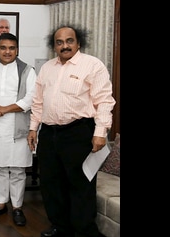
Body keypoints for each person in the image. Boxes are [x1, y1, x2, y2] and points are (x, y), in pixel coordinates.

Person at [27, 26, 116, 237]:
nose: (65, 45)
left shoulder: (93, 65)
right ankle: (60, 226)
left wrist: (100, 132)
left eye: (69, 41)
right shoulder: (47, 67)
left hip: (78, 133)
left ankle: (84, 231)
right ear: (54, 45)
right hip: (49, 134)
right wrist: (33, 128)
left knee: (81, 185)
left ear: (78, 43)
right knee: (51, 184)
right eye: (60, 42)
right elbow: (38, 102)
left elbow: (104, 101)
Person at [0, 33, 36, 227]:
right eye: (3, 48)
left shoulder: (27, 70)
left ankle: (17, 207)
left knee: (18, 170)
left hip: (18, 126)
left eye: (11, 48)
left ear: (17, 50)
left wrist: (5, 108)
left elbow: (30, 99)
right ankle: (1, 204)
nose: (7, 52)